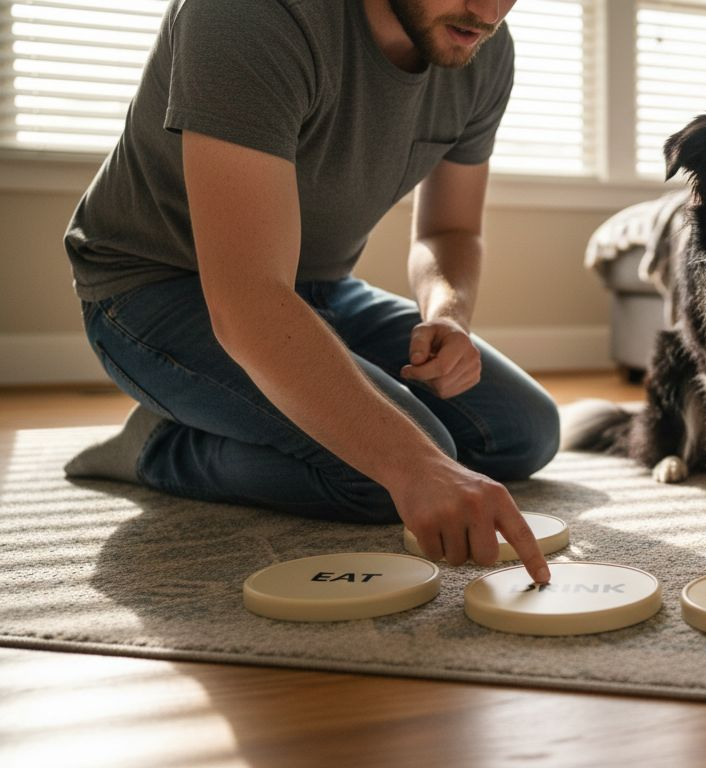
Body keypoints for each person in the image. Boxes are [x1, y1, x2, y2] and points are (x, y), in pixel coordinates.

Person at [62, 0, 554, 583]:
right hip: (149, 291)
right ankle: (158, 448)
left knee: (524, 430)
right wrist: (415, 466)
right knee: (390, 473)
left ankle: (242, 410)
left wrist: (448, 315)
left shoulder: (479, 43)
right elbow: (247, 298)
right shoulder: (249, 14)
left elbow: (450, 230)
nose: (490, 9)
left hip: (316, 289)